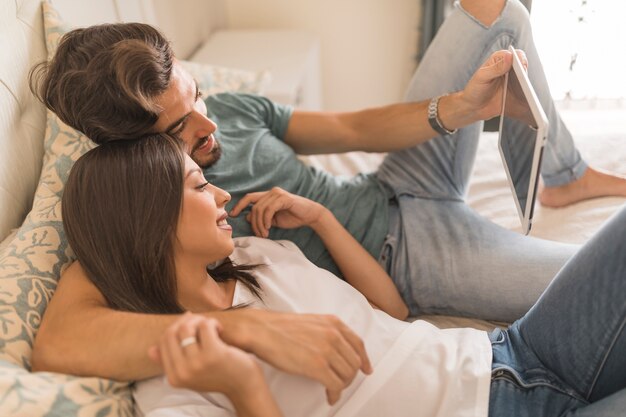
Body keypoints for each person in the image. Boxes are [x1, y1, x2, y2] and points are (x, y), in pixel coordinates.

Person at [29, 0, 626, 398]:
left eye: (198, 97)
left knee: (499, 12)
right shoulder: (142, 204)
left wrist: (460, 111)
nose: (209, 128)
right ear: (134, 153)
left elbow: (349, 131)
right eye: (178, 130)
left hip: (389, 188)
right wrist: (238, 333)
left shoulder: (228, 112)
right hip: (405, 259)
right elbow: (60, 341)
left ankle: (563, 174)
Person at [62, 135, 626, 416]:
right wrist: (242, 384)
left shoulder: (259, 256)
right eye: (197, 185)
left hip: (508, 352)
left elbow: (395, 313)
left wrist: (323, 220)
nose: (222, 193)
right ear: (147, 218)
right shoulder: (176, 375)